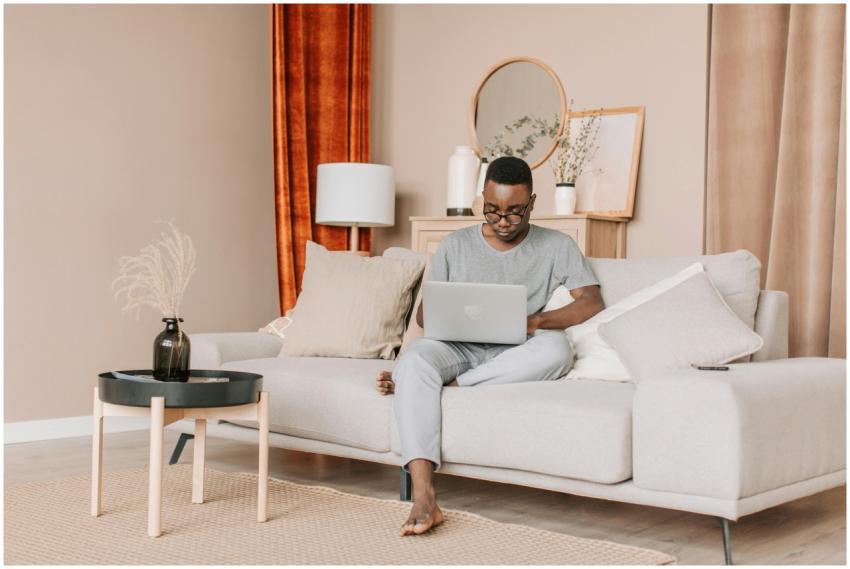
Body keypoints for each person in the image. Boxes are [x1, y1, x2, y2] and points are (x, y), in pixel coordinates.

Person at [375, 156, 605, 536]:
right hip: (456, 348)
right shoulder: (454, 244)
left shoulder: (557, 246)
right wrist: (445, 309)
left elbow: (591, 302)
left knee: (558, 350)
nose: (502, 220)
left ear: (533, 203)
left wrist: (535, 321)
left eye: (515, 211)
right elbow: (422, 319)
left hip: (514, 352)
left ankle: (443, 387)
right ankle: (423, 495)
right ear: (481, 198)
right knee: (416, 357)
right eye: (492, 209)